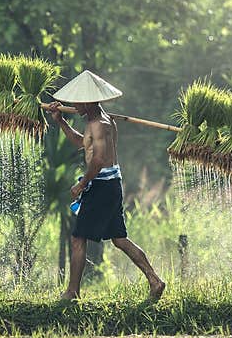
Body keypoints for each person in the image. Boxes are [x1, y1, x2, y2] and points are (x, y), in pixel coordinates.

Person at [47, 70, 165, 301]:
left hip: (101, 186)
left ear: (89, 101)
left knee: (78, 238)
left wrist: (82, 184)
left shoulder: (100, 124)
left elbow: (99, 160)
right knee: (119, 239)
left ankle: (72, 292)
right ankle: (155, 280)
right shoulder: (100, 121)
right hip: (111, 184)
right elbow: (83, 143)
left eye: (78, 100)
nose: (74, 104)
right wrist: (60, 121)